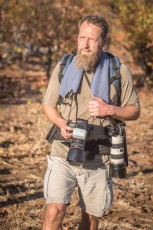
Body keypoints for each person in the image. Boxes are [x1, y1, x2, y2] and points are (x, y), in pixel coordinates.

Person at [42, 15, 140, 230]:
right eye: (81, 37)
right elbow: (48, 105)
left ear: (104, 42)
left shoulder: (118, 70)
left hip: (98, 155)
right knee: (53, 211)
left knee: (89, 219)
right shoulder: (64, 66)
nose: (85, 44)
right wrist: (60, 122)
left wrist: (110, 109)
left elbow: (135, 110)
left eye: (92, 39)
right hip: (63, 150)